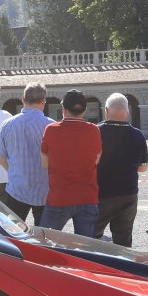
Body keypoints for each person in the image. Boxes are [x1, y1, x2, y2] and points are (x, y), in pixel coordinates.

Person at [39, 90, 102, 237]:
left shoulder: (51, 129)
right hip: (87, 196)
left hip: (59, 197)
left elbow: (45, 163)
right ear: (84, 110)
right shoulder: (94, 130)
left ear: (64, 109)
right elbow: (96, 160)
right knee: (86, 246)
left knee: (45, 241)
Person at [0, 84, 54, 224]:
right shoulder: (51, 126)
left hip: (17, 188)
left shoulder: (7, 124)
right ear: (43, 102)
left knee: (13, 232)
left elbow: (1, 158)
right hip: (45, 189)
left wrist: (15, 171)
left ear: (23, 99)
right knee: (45, 234)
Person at [94, 93, 148, 246]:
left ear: (106, 110)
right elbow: (143, 167)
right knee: (124, 240)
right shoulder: (138, 135)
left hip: (101, 194)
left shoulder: (95, 132)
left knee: (91, 237)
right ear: (127, 111)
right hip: (128, 194)